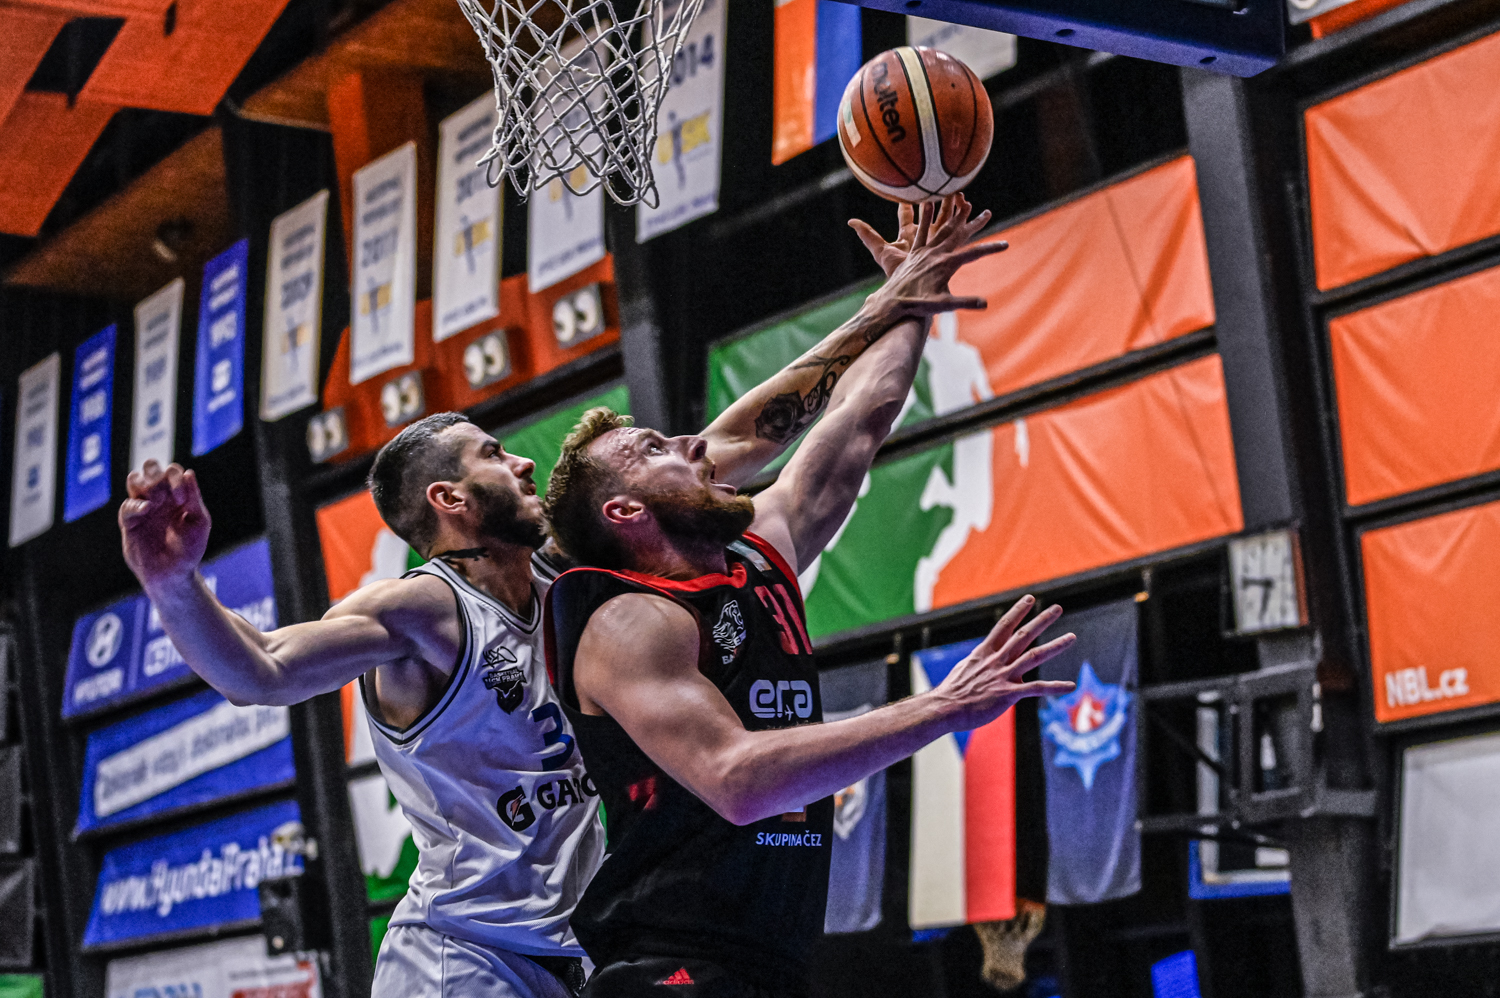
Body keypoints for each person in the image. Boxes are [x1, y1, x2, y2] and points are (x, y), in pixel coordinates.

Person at [115, 201, 993, 998]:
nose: (525, 461)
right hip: (464, 958)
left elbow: (730, 441)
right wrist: (173, 583)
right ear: (450, 500)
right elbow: (263, 669)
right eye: (494, 456)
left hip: (576, 955)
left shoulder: (575, 578)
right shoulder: (422, 613)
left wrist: (886, 307)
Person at [541, 194, 1078, 998]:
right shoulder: (626, 622)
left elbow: (860, 420)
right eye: (655, 448)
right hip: (668, 966)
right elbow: (737, 779)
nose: (692, 443)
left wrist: (913, 297)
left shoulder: (758, 554)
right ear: (624, 513)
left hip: (765, 960)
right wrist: (942, 707)